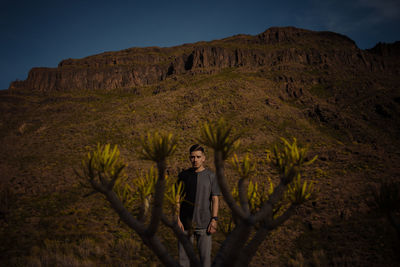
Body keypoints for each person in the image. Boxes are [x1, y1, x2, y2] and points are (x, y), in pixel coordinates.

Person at [177, 144, 221, 267]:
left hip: (204, 224)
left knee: (205, 261)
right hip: (185, 224)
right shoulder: (183, 176)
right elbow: (177, 199)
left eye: (198, 157)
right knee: (184, 260)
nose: (195, 160)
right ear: (189, 158)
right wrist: (177, 218)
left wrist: (214, 219)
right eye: (192, 157)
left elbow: (215, 199)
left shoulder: (211, 176)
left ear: (203, 158)